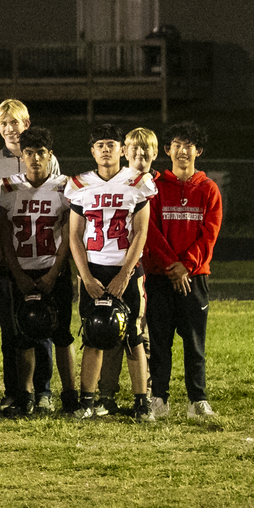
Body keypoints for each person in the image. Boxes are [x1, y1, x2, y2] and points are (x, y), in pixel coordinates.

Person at [64, 123, 158, 421]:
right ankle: (88, 400)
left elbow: (141, 232)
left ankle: (141, 401)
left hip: (126, 270)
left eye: (111, 144)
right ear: (92, 151)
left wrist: (125, 274)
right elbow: (74, 237)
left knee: (133, 335)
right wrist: (86, 277)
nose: (106, 149)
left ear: (121, 149)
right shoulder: (80, 183)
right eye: (100, 145)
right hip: (94, 269)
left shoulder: (138, 181)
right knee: (92, 333)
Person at [144, 121, 223, 418]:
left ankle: (197, 401)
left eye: (188, 146)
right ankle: (159, 399)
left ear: (198, 151)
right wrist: (170, 266)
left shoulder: (208, 189)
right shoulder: (154, 187)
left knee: (194, 342)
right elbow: (150, 231)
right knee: (160, 340)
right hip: (161, 277)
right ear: (167, 150)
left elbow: (209, 234)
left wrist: (186, 266)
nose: (182, 151)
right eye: (176, 145)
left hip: (194, 277)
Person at [0, 127, 74, 414]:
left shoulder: (64, 187)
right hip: (21, 271)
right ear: (22, 156)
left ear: (50, 155)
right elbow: (5, 235)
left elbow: (68, 233)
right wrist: (17, 274)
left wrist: (54, 273)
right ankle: (26, 394)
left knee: (62, 334)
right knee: (24, 335)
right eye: (29, 153)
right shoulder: (9, 187)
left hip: (52, 269)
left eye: (41, 153)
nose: (35, 159)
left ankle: (69, 395)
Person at [96, 127, 160, 412]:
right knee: (108, 329)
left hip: (139, 268)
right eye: (134, 148)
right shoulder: (110, 182)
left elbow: (147, 231)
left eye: (145, 149)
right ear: (125, 151)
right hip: (110, 265)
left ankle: (145, 395)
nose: (139, 154)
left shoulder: (150, 183)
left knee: (137, 332)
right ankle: (106, 394)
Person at [0, 99, 61, 181]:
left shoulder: (47, 159)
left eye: (14, 122)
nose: (9, 129)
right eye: (3, 124)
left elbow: (56, 191)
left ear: (26, 124)